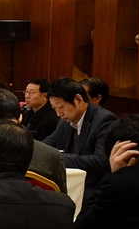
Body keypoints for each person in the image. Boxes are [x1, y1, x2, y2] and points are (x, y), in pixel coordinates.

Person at [42, 77, 116, 206]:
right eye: (54, 108)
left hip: (94, 189)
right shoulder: (64, 122)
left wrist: (58, 158)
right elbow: (45, 145)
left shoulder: (104, 120)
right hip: (69, 185)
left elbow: (101, 161)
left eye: (61, 107)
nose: (58, 113)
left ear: (78, 100)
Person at [20, 77, 59, 141]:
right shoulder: (26, 112)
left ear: (44, 96)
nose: (27, 96)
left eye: (31, 93)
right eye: (26, 92)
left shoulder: (52, 118)